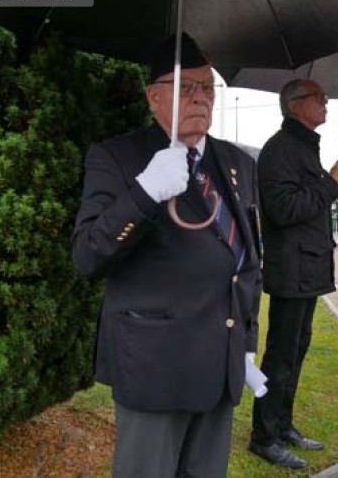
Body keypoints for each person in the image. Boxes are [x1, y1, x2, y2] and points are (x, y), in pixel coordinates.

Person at [71, 34, 262, 478]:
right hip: (156, 364)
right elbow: (87, 256)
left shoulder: (237, 163)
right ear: (153, 97)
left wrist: (247, 344)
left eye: (208, 88)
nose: (200, 98)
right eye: (185, 88)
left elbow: (247, 262)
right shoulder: (117, 158)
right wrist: (144, 192)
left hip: (221, 364)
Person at [249, 79, 338, 469]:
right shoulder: (279, 150)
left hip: (307, 266)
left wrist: (326, 180)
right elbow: (282, 210)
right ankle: (263, 437)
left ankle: (282, 424)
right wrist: (332, 183)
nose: (326, 102)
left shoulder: (302, 147)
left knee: (297, 350)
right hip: (291, 268)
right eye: (318, 97)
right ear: (295, 106)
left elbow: (304, 202)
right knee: (280, 356)